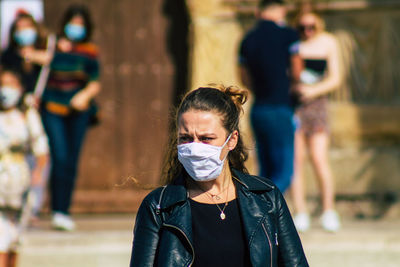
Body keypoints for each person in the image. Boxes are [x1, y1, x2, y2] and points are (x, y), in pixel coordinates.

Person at [130, 85, 309, 267]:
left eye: (206, 138)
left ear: (232, 140)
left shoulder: (266, 197)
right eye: (185, 138)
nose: (195, 147)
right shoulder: (159, 207)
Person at [40, 5, 100, 231]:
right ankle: (56, 208)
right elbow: (32, 51)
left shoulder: (89, 50)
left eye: (80, 24)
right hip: (52, 108)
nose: (75, 28)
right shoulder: (52, 44)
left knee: (71, 162)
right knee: (60, 156)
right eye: (72, 23)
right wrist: (53, 47)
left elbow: (95, 80)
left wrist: (83, 96)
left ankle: (63, 210)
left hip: (78, 111)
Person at [239, 0, 303, 193]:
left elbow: (243, 76)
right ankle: (261, 206)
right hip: (281, 107)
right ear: (280, 9)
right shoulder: (289, 35)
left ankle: (260, 210)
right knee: (284, 172)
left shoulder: (248, 38)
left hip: (259, 108)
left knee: (265, 170)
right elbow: (297, 69)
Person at [289, 11, 342, 233]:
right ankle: (300, 211)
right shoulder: (292, 44)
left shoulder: (328, 42)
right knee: (296, 161)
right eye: (303, 27)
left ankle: (328, 210)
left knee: (319, 159)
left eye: (311, 26)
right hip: (294, 106)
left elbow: (336, 77)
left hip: (317, 105)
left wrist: (313, 91)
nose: (307, 31)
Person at [0, 67, 49, 267]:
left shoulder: (27, 115)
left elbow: (41, 148)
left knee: (15, 237)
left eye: (11, 84)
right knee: (1, 235)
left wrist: (38, 173)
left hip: (19, 178)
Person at [0, 12, 52, 94]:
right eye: (20, 28)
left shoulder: (46, 48)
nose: (24, 30)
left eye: (27, 26)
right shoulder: (8, 56)